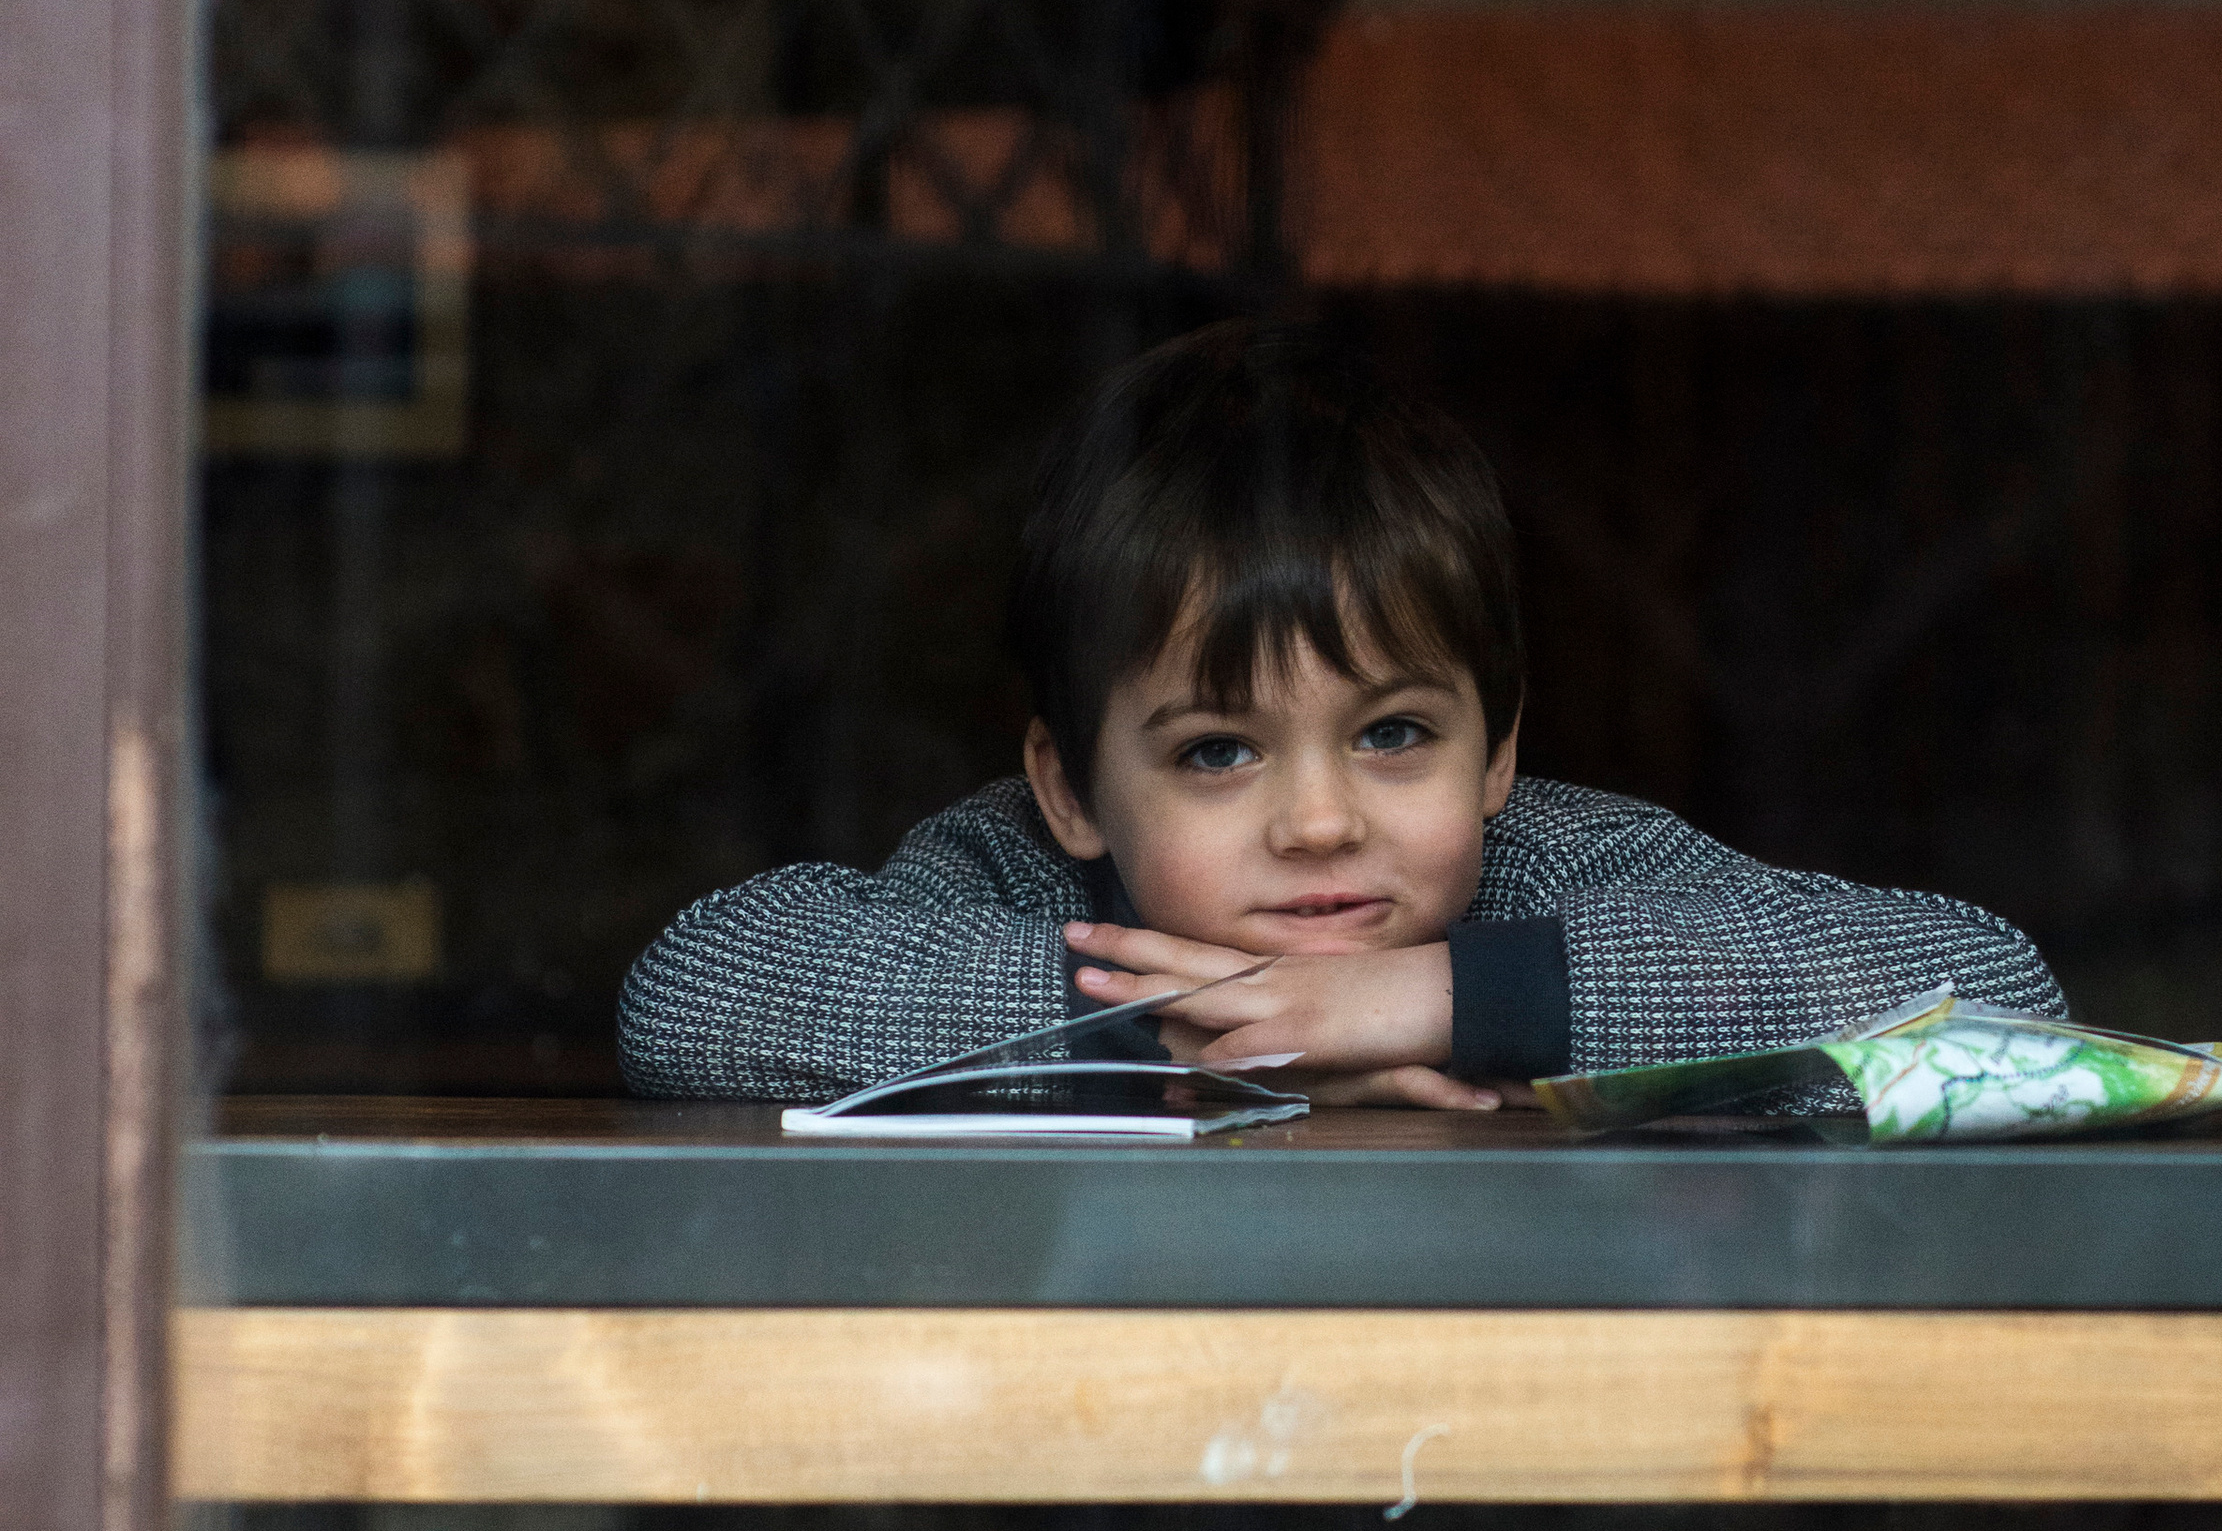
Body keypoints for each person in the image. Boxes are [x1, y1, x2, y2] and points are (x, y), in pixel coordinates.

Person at [618, 318, 2061, 1103]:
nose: (1320, 822)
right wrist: (1194, 1032)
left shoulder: (1568, 872)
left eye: (1392, 735)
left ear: (1498, 748)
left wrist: (1435, 1000)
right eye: (1217, 751)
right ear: (1068, 788)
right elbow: (699, 995)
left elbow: (1997, 997)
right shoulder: (1022, 880)